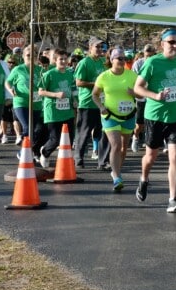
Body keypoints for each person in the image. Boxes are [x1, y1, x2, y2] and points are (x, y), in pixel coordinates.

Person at [133, 29, 176, 212]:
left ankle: (173, 199)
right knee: (151, 156)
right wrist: (155, 96)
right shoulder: (152, 62)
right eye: (171, 42)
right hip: (155, 117)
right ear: (162, 44)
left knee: (175, 157)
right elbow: (137, 88)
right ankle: (144, 179)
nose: (175, 45)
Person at [93, 48, 139, 192]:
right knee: (116, 145)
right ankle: (117, 177)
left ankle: (116, 170)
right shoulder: (104, 76)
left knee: (124, 148)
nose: (122, 61)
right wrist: (101, 107)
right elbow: (94, 95)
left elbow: (143, 92)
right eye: (119, 58)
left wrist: (135, 93)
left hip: (129, 115)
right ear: (112, 60)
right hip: (110, 115)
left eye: (124, 58)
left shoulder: (132, 75)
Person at [37, 49, 77, 168]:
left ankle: (64, 163)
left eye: (65, 59)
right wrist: (56, 95)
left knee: (69, 139)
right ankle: (45, 152)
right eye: (61, 59)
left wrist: (75, 101)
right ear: (55, 60)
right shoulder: (49, 74)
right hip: (53, 111)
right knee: (55, 139)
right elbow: (40, 92)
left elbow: (73, 89)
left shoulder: (70, 74)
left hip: (68, 111)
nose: (63, 61)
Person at [74, 37, 109, 170]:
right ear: (90, 48)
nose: (100, 50)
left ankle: (102, 161)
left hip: (102, 104)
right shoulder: (84, 63)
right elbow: (78, 82)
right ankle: (79, 159)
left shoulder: (102, 62)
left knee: (103, 133)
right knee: (84, 133)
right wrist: (96, 84)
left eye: (101, 47)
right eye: (97, 47)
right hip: (87, 104)